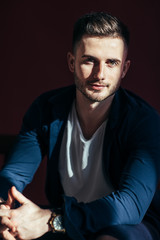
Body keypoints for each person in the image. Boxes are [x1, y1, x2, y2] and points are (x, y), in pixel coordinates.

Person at [0, 11, 160, 240]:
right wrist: (4, 212)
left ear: (124, 69)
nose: (100, 74)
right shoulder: (46, 109)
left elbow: (131, 205)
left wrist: (50, 220)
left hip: (129, 225)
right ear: (72, 62)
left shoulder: (144, 121)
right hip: (65, 221)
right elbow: (14, 173)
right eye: (89, 61)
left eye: (111, 63)